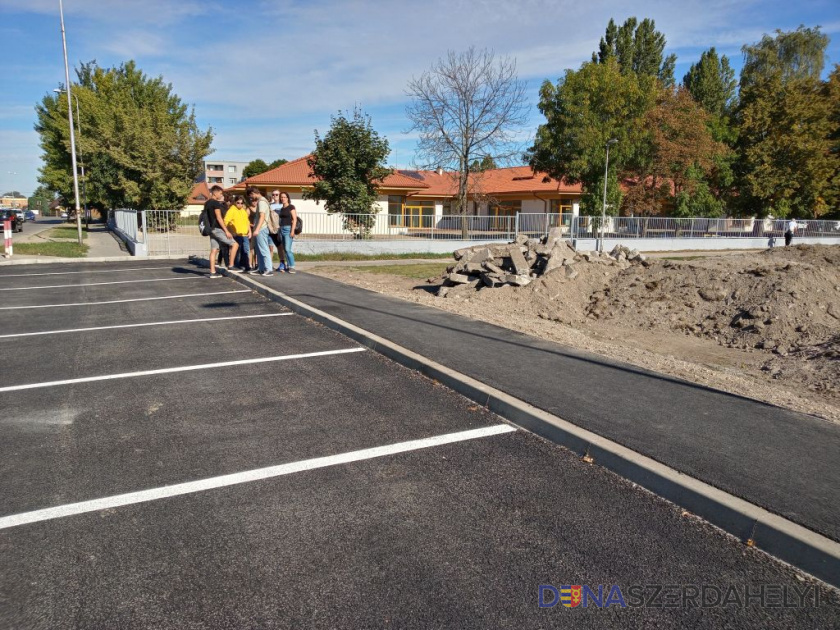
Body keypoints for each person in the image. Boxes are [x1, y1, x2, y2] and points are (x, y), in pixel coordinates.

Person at [205, 185, 236, 278]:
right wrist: (226, 231)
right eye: (220, 193)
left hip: (211, 229)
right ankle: (231, 265)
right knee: (235, 244)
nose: (221, 195)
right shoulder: (215, 203)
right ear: (215, 192)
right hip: (217, 229)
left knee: (214, 250)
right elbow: (219, 218)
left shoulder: (207, 203)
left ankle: (213, 272)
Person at [247, 186, 274, 276]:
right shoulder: (262, 201)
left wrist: (257, 229)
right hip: (260, 229)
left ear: (253, 193)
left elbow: (262, 216)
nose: (251, 198)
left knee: (263, 249)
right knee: (259, 250)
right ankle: (261, 268)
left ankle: (269, 269)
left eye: (251, 196)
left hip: (261, 229)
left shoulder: (262, 202)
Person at [224, 195, 251, 271]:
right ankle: (236, 265)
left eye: (242, 203)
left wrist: (250, 231)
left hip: (244, 234)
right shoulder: (232, 210)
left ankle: (245, 265)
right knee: (237, 251)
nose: (240, 204)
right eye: (238, 203)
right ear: (235, 202)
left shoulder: (243, 210)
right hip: (237, 234)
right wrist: (230, 231)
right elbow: (226, 221)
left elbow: (247, 221)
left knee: (245, 251)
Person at [277, 191, 297, 273]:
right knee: (285, 249)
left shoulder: (291, 207)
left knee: (288, 249)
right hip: (281, 229)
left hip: (288, 229)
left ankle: (292, 266)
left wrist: (292, 231)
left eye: (284, 197)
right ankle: (288, 265)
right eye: (281, 197)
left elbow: (294, 219)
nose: (283, 198)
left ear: (288, 198)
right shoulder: (282, 208)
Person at [269, 189, 287, 271]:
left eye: (276, 194)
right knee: (270, 248)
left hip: (280, 229)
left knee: (281, 247)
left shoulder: (283, 205)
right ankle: (269, 264)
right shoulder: (270, 205)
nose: (274, 196)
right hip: (271, 229)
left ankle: (282, 263)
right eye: (273, 194)